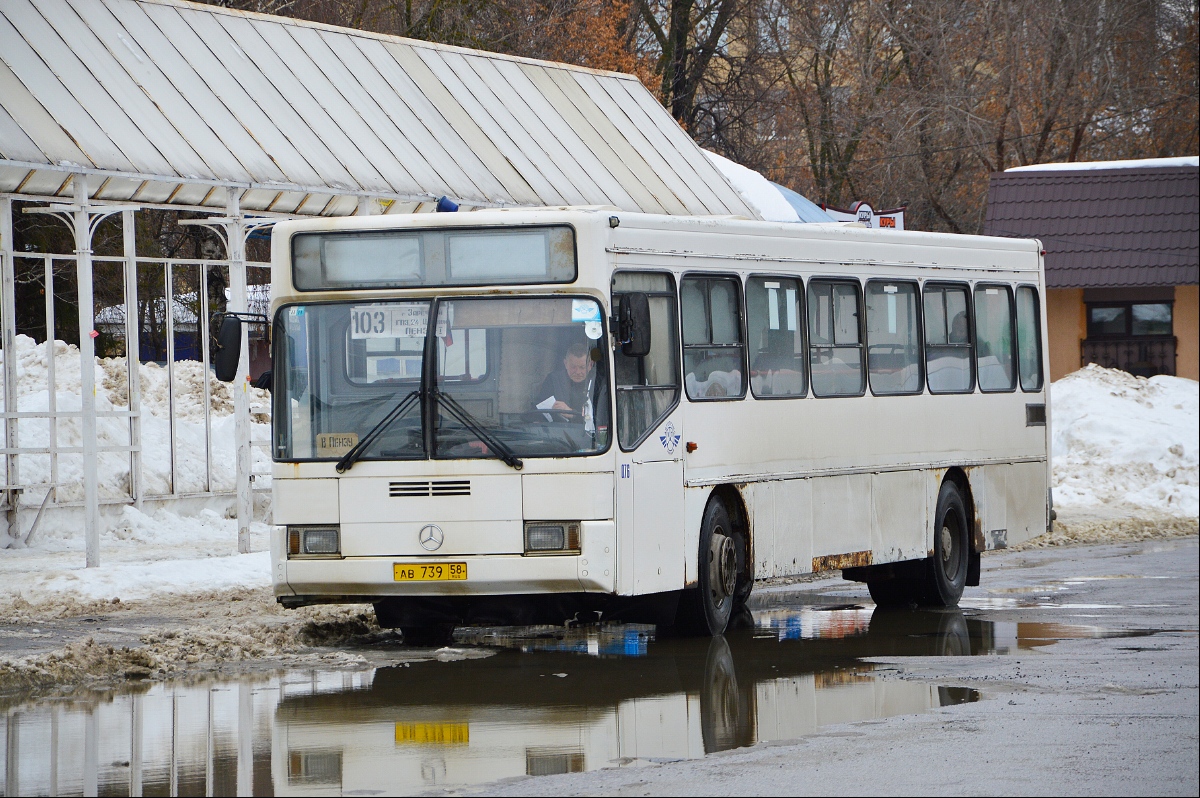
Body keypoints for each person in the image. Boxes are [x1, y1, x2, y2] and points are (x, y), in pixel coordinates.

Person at [534, 342, 595, 424]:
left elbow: (601, 418)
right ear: (565, 364)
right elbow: (536, 410)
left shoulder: (596, 383)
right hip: (556, 432)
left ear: (590, 365)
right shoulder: (553, 380)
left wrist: (572, 414)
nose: (577, 372)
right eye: (573, 367)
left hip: (588, 435)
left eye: (582, 367)